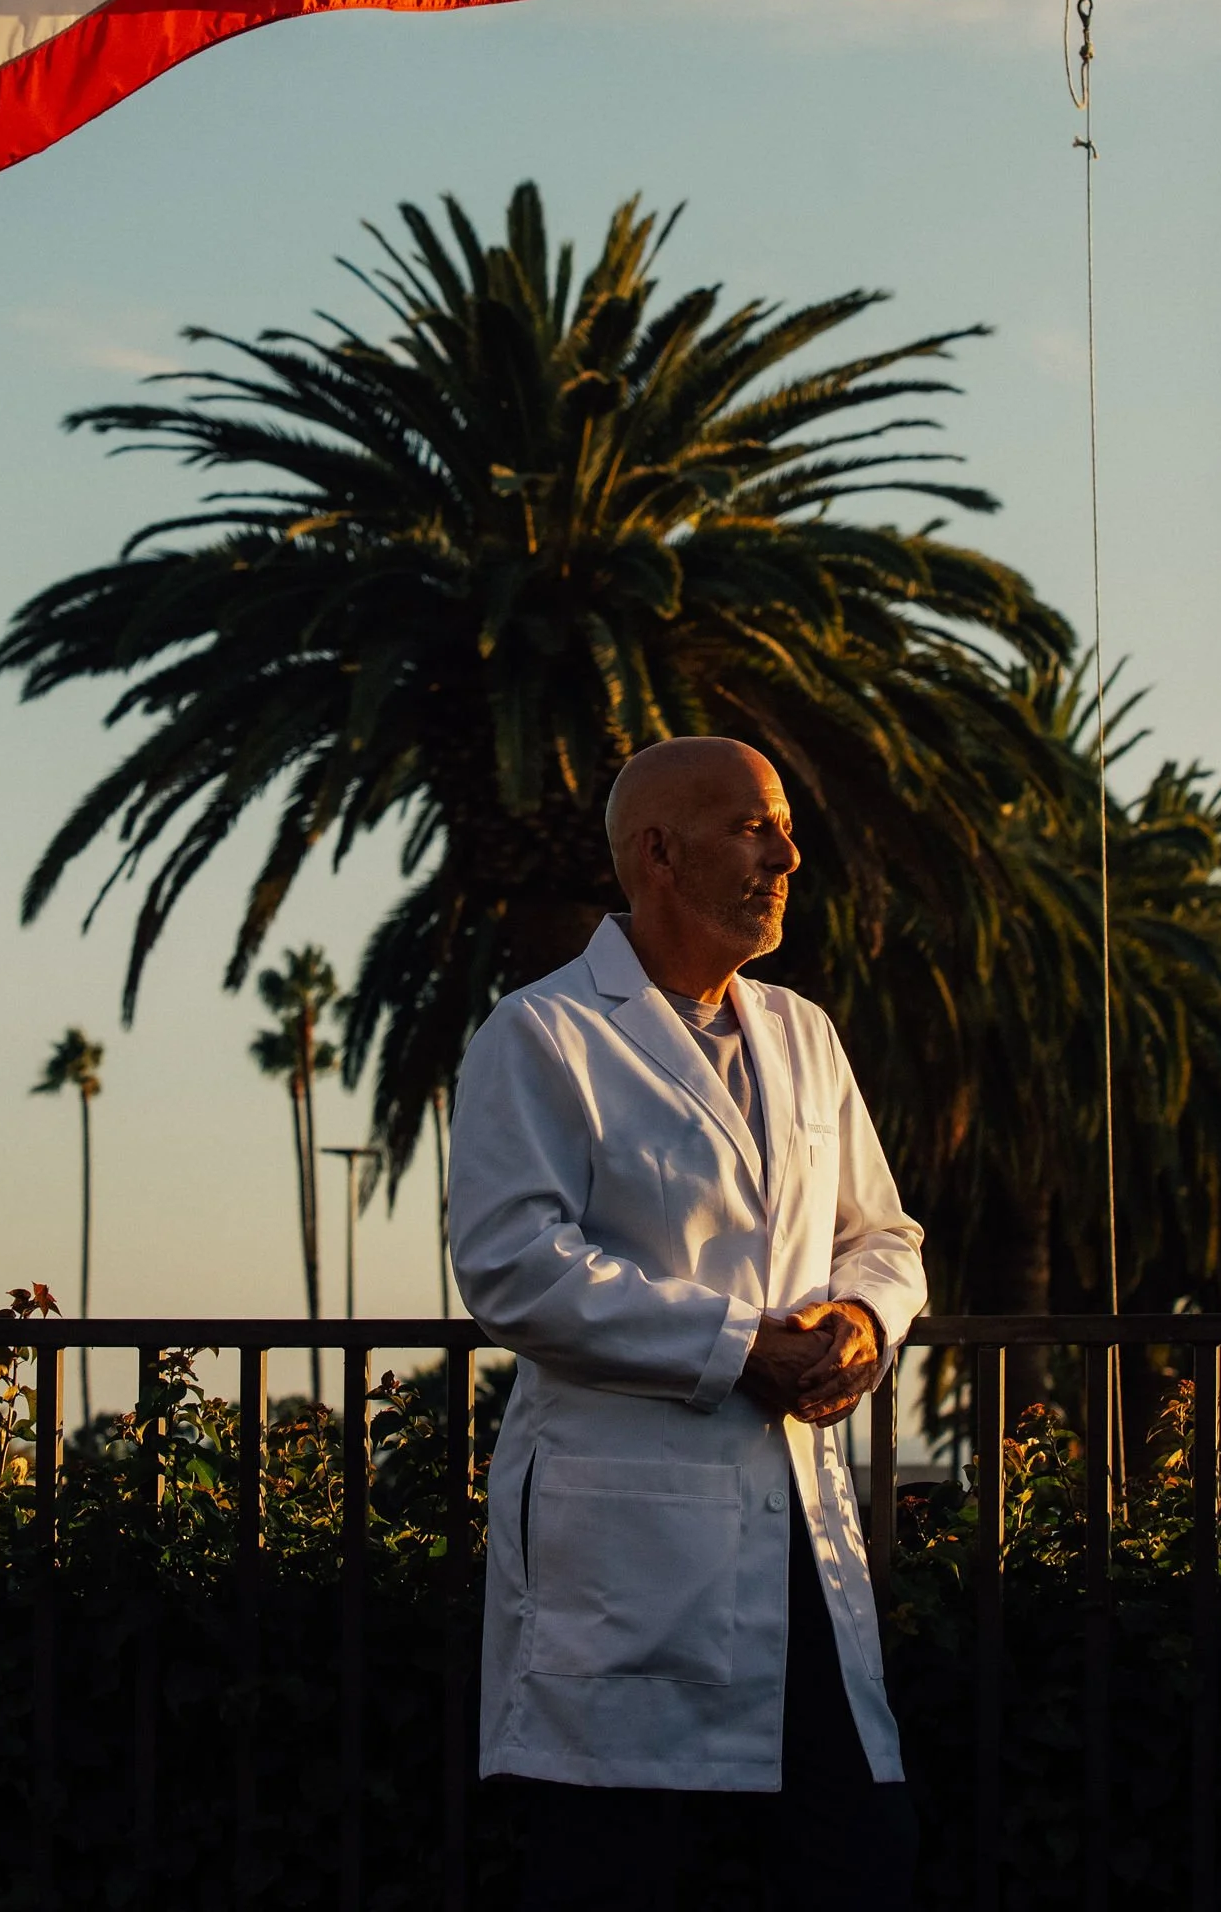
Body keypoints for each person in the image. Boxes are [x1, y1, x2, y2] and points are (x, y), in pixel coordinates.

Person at [446, 735, 927, 1912]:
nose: (788, 857)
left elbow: (884, 1234)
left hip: (799, 1531)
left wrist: (861, 1322)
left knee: (854, 1863)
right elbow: (513, 1263)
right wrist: (736, 1346)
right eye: (755, 828)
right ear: (658, 853)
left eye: (786, 830)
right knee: (617, 1871)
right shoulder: (543, 1034)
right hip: (628, 1550)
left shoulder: (803, 1035)